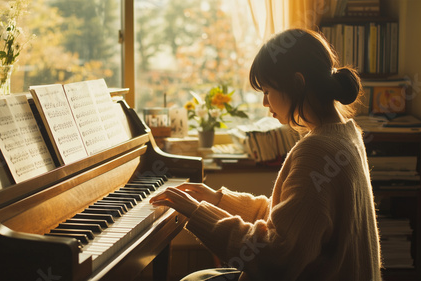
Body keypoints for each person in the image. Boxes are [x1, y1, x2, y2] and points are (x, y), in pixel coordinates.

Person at [150, 28, 382, 281]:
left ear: (297, 83)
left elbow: (276, 258)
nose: (264, 103)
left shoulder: (317, 151)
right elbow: (290, 221)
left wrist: (199, 213)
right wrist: (217, 200)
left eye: (267, 91)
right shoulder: (345, 134)